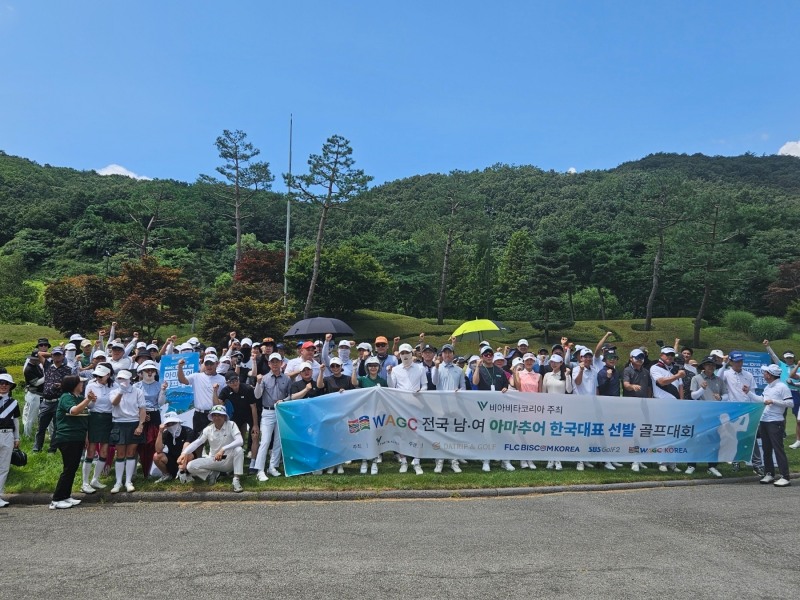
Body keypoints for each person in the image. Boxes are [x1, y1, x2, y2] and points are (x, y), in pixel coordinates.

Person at [177, 405, 244, 492]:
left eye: (220, 415)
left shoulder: (231, 424)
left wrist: (223, 449)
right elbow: (197, 443)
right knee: (190, 466)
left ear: (224, 416)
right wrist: (184, 453)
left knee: (239, 449)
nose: (217, 417)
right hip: (214, 459)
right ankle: (213, 474)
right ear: (211, 417)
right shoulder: (208, 429)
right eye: (214, 415)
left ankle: (236, 480)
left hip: (229, 460)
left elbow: (240, 441)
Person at [747, 364, 793, 487]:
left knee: (778, 449)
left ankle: (785, 476)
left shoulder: (782, 387)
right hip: (764, 421)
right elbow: (761, 400)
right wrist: (748, 393)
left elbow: (790, 403)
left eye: (765, 373)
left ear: (771, 375)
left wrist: (773, 401)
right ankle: (769, 473)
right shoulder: (767, 387)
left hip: (775, 422)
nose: (764, 374)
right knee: (766, 449)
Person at [49, 375, 91, 510]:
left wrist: (86, 437)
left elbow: (84, 418)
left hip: (78, 437)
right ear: (73, 385)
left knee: (72, 468)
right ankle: (56, 499)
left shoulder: (78, 398)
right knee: (68, 469)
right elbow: (74, 411)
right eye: (80, 383)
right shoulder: (66, 397)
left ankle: (66, 496)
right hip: (67, 437)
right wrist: (88, 400)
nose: (82, 385)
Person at [719, 350, 764, 475]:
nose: (739, 363)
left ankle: (757, 464)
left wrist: (754, 409)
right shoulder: (726, 373)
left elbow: (753, 392)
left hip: (748, 408)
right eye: (736, 361)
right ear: (731, 362)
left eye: (741, 361)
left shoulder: (748, 375)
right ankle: (736, 461)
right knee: (734, 436)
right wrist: (724, 363)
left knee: (751, 437)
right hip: (733, 409)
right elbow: (718, 378)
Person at [388, 343, 427, 475]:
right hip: (401, 406)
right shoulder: (395, 369)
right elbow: (391, 386)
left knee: (417, 434)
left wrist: (421, 391)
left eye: (407, 353)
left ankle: (417, 461)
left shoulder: (420, 368)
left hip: (417, 404)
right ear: (400, 355)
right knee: (402, 434)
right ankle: (404, 461)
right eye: (402, 353)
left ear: (412, 354)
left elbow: (425, 385)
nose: (405, 355)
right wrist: (389, 374)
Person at [253, 352, 292, 482]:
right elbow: (257, 395)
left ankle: (272, 466)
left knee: (278, 441)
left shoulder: (287, 379)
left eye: (277, 361)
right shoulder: (264, 378)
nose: (275, 364)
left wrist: (284, 400)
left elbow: (290, 395)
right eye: (272, 362)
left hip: (281, 411)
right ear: (269, 364)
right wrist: (258, 383)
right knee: (265, 441)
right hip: (267, 412)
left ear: (281, 363)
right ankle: (259, 470)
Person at [686, 356, 727, 478]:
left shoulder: (719, 380)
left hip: (714, 414)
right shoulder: (696, 378)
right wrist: (702, 389)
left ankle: (712, 466)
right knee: (695, 439)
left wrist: (721, 398)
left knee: (714, 440)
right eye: (708, 364)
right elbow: (693, 396)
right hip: (700, 414)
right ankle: (691, 465)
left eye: (713, 364)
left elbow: (726, 395)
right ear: (703, 366)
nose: (711, 366)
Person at [81, 363, 117, 493]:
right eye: (96, 376)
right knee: (91, 450)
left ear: (108, 375)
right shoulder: (91, 385)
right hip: (95, 418)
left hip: (109, 418)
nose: (98, 378)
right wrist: (92, 401)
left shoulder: (115, 386)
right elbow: (89, 406)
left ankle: (95, 479)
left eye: (101, 376)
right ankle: (85, 482)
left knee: (104, 450)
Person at [109, 370, 146, 494]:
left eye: (124, 379)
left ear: (130, 379)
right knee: (120, 453)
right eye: (120, 378)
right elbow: (114, 403)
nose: (122, 381)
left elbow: (142, 409)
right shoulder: (114, 391)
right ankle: (118, 482)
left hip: (133, 422)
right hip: (118, 423)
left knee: (131, 453)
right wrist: (121, 391)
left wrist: (140, 425)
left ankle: (128, 481)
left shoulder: (138, 391)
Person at [177, 354, 226, 445]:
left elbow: (223, 399)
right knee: (197, 441)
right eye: (207, 363)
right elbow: (182, 380)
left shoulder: (222, 379)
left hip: (214, 414)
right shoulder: (196, 376)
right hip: (198, 414)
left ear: (217, 364)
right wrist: (180, 367)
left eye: (211, 363)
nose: (209, 366)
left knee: (214, 441)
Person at [649, 347, 685, 473]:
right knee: (662, 434)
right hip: (661, 404)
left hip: (675, 405)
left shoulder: (675, 368)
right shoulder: (655, 367)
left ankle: (672, 462)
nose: (670, 357)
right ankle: (661, 461)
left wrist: (681, 401)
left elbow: (680, 386)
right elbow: (662, 382)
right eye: (667, 354)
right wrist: (677, 375)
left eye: (671, 355)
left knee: (674, 433)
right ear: (661, 355)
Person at [35, 346, 77, 453]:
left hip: (58, 401)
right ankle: (37, 448)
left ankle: (52, 449)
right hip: (46, 402)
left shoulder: (68, 369)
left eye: (59, 355)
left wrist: (62, 386)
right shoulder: (47, 365)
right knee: (41, 427)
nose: (57, 357)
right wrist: (52, 354)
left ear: (63, 356)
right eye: (55, 355)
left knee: (56, 427)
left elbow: (71, 386)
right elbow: (39, 354)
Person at [763, 340, 800, 450]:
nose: (789, 359)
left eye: (791, 358)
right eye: (787, 358)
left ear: (793, 358)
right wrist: (767, 346)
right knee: (781, 413)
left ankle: (798, 439)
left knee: (797, 415)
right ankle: (781, 433)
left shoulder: (798, 367)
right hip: (782, 392)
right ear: (784, 358)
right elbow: (773, 356)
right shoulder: (781, 365)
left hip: (795, 391)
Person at [135, 360, 167, 479]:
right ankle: (140, 469)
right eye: (147, 370)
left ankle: (153, 470)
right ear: (141, 372)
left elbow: (161, 403)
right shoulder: (136, 386)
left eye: (152, 370)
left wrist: (163, 391)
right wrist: (141, 415)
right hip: (140, 414)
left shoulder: (159, 385)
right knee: (140, 443)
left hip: (154, 414)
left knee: (153, 442)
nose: (149, 372)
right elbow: (134, 403)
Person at [622, 348, 652, 472]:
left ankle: (638, 457)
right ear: (631, 358)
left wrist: (648, 400)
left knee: (641, 432)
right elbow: (626, 385)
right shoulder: (627, 370)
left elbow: (649, 388)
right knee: (632, 433)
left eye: (641, 357)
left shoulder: (646, 371)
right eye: (637, 357)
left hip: (643, 405)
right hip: (631, 405)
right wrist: (632, 386)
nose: (640, 359)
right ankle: (633, 458)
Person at [541, 355, 572, 471]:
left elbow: (569, 390)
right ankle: (550, 459)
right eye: (552, 362)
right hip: (549, 409)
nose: (553, 364)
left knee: (558, 434)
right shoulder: (547, 375)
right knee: (549, 434)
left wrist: (567, 376)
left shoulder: (565, 375)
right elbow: (543, 392)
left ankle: (558, 459)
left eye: (556, 362)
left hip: (561, 409)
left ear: (561, 363)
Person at [153, 412, 196, 483]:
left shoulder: (188, 431)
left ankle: (187, 474)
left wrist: (181, 460)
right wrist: (160, 432)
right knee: (156, 456)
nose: (171, 426)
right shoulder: (166, 434)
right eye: (168, 424)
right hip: (173, 460)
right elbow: (158, 450)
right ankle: (167, 475)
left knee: (189, 454)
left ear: (178, 422)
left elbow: (186, 446)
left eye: (173, 423)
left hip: (186, 459)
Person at [21, 338, 51, 439]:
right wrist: (47, 376)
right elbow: (36, 383)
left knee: (41, 416)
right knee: (30, 417)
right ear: (33, 359)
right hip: (33, 395)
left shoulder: (36, 366)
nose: (40, 361)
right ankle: (27, 435)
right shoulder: (28, 369)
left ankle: (34, 434)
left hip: (40, 394)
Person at [0, 374, 21, 508]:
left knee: (4, 467)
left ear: (10, 386)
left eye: (6, 383)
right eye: (1, 382)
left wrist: (16, 437)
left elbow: (16, 421)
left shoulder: (14, 402)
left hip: (8, 435)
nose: (3, 385)